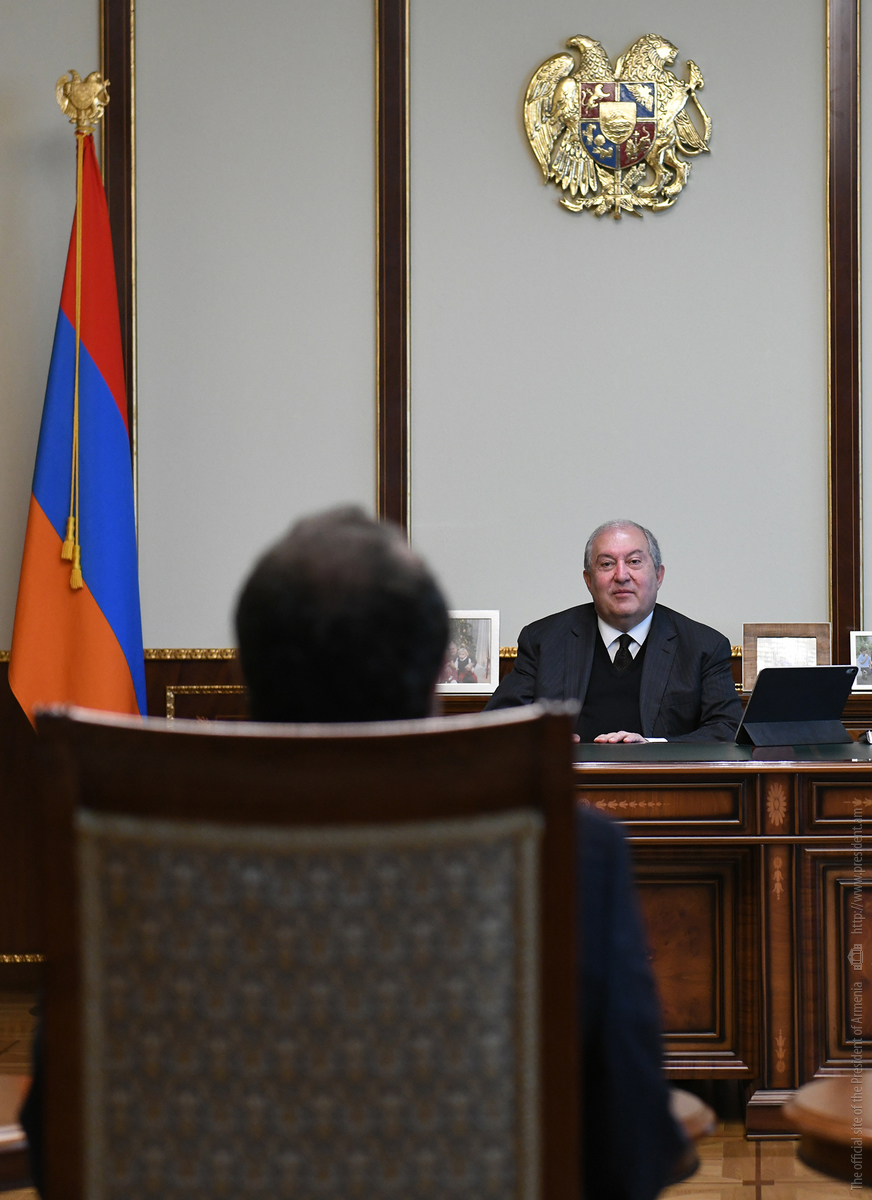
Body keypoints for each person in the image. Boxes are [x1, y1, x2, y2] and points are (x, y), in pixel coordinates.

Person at [234, 506, 686, 1198]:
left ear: (248, 675)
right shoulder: (574, 851)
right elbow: (631, 1149)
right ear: (432, 678)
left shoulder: (140, 858)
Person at [486, 519, 742, 743]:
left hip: (661, 781)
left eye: (634, 562)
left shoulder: (703, 646)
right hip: (570, 779)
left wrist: (654, 745)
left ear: (658, 576)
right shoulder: (543, 640)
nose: (621, 575)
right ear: (589, 580)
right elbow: (495, 725)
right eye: (607, 564)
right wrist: (542, 742)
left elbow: (727, 729)